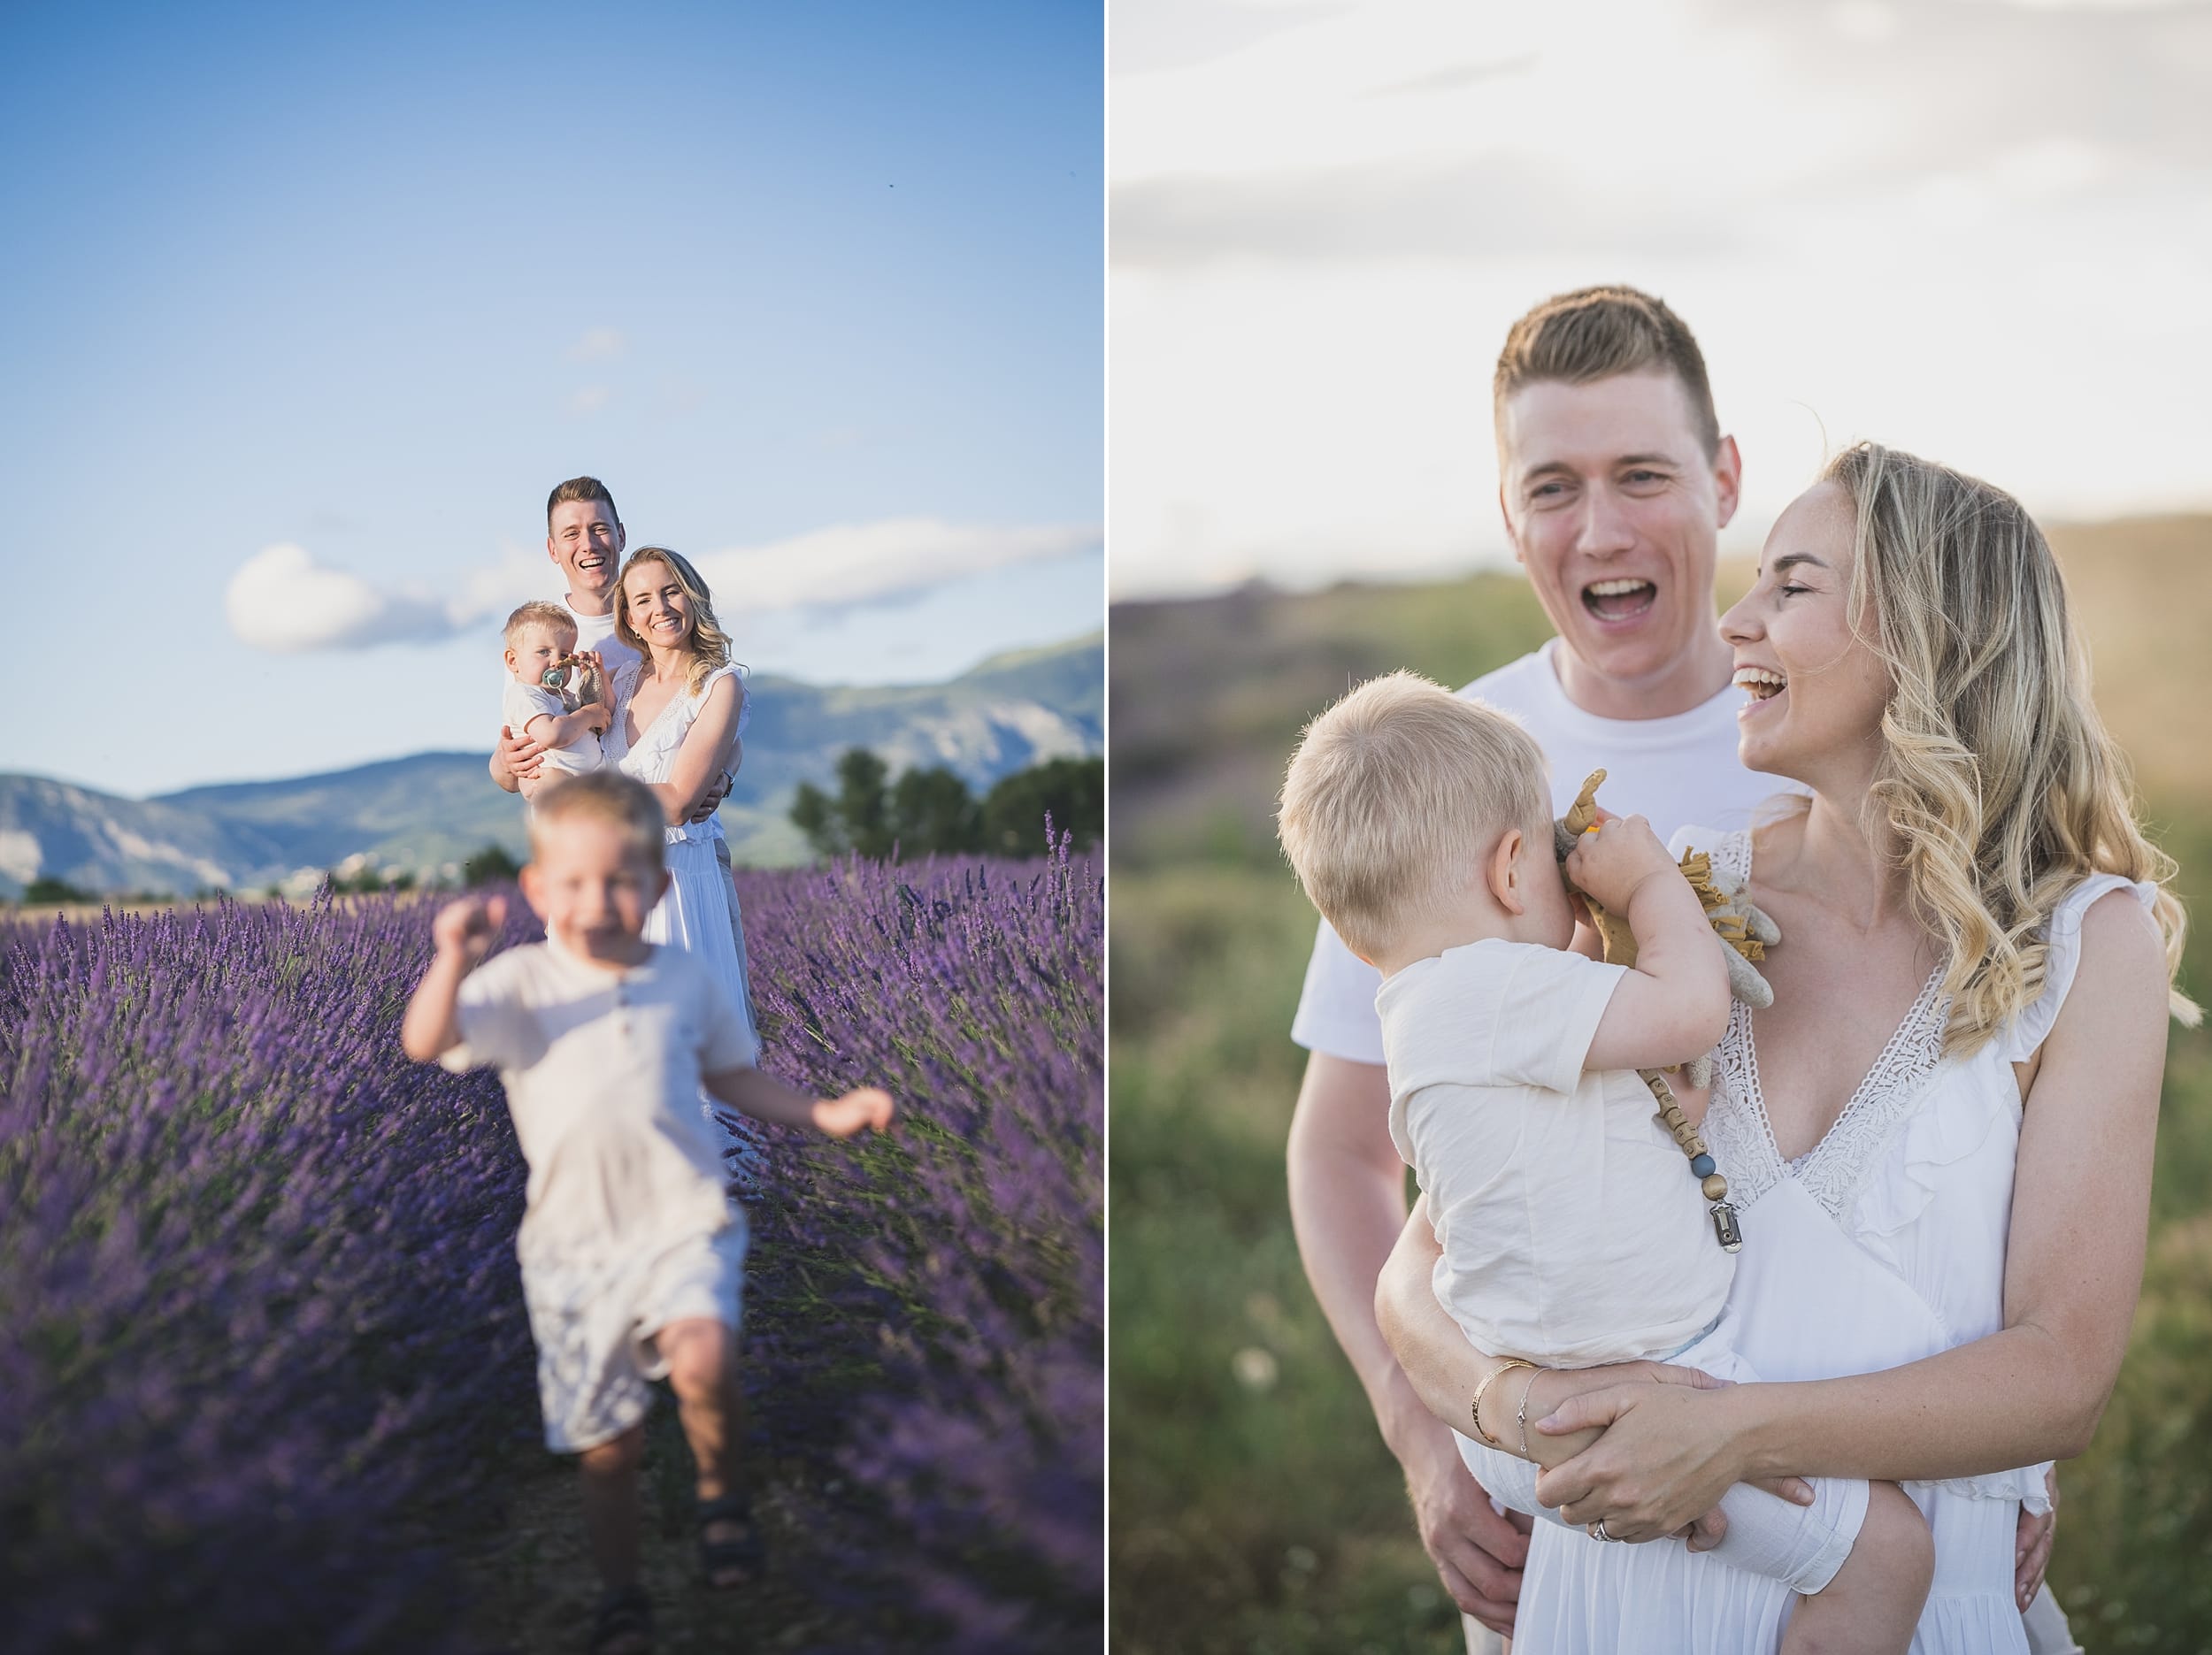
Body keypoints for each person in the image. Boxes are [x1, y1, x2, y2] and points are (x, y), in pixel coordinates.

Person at [1283, 285, 2072, 1651]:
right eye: (1553, 486)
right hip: (1589, 1475)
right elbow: (1352, 1151)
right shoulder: (1434, 767)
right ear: (1508, 510)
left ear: (1722, 482)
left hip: (1813, 1449)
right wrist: (1431, 1428)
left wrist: (2007, 1450)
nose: (1599, 528)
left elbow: (1977, 1142)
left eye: (1641, 474)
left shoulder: (1829, 723)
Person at [1375, 445, 2194, 1651]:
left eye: (1791, 585)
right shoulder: (1670, 904)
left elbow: (2062, 1374)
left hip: (1912, 1607)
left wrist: (1736, 1433)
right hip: (1617, 1600)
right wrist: (1512, 1402)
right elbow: (1419, 1271)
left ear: (1930, 632)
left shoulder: (2088, 944)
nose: (1738, 616)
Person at [1279, 672, 1932, 1654]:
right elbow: (1690, 1011)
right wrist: (1649, 889)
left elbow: (1621, 1107)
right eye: (1550, 856)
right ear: (1511, 869)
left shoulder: (1424, 1018)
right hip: (1628, 1398)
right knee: (1887, 1554)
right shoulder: (1508, 991)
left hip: (1514, 1412)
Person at [399, 770, 895, 1654]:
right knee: (609, 1447)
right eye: (577, 882)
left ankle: (718, 1492)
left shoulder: (680, 978)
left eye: (622, 880)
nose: (600, 900)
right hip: (572, 1245)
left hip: (681, 1216)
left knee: (704, 1352)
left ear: (658, 888)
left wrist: (821, 1113)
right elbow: (426, 1041)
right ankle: (623, 1589)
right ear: (538, 890)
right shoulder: (520, 982)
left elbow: (729, 1074)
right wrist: (451, 960)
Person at [491, 478, 747, 940]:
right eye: (571, 533)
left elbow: (725, 733)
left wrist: (722, 779)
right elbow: (510, 765)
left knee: (717, 997)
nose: (588, 544)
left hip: (683, 849)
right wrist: (505, 764)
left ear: (621, 534)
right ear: (552, 548)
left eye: (599, 528)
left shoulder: (660, 618)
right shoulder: (539, 639)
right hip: (584, 860)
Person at [603, 544, 760, 1059]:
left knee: (681, 1053)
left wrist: (583, 795)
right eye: (643, 599)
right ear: (629, 617)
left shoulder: (719, 685)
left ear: (693, 598)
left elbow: (675, 803)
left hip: (679, 885)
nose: (661, 608)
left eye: (671, 591)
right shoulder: (618, 683)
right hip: (610, 884)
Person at [498, 600, 609, 799]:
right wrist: (588, 714)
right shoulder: (524, 694)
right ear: (513, 661)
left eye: (565, 654)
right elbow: (551, 735)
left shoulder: (563, 696)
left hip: (582, 791)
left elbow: (604, 718)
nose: (557, 661)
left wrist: (597, 679)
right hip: (553, 789)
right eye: (544, 652)